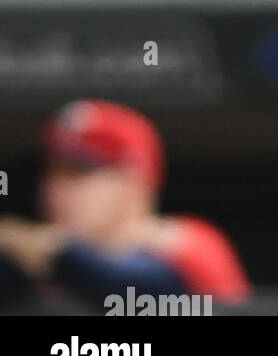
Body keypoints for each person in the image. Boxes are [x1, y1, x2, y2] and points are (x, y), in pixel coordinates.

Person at [0, 100, 249, 313]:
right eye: (52, 172)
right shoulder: (39, 260)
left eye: (79, 173)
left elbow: (125, 283)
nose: (56, 189)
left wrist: (49, 250)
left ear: (135, 180)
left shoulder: (187, 243)